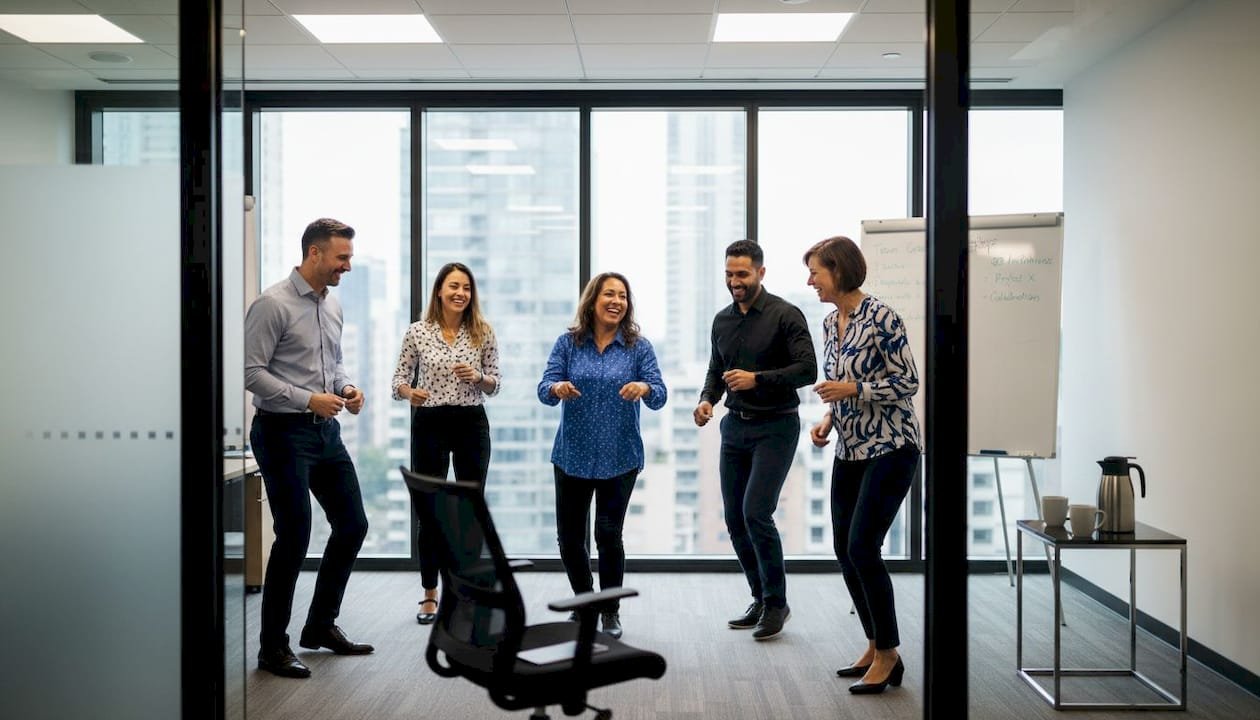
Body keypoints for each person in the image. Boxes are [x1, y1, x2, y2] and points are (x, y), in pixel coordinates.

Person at [244, 217, 373, 679]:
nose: (347, 266)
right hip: (281, 432)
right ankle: (272, 648)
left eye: (349, 258)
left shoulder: (331, 305)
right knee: (295, 534)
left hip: (324, 433)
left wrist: (346, 388)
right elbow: (251, 372)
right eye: (342, 257)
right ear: (314, 253)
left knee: (353, 525)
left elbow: (333, 364)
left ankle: (320, 625)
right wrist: (307, 399)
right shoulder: (272, 304)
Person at [804, 236, 921, 694]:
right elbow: (837, 383)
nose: (810, 281)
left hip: (892, 446)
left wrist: (853, 390)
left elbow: (907, 381)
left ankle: (890, 653)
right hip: (850, 449)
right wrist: (829, 419)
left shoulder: (882, 317)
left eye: (816, 272)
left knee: (863, 547)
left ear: (838, 270)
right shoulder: (830, 322)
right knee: (844, 548)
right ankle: (875, 645)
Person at [694, 239, 817, 641]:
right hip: (735, 428)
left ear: (761, 272)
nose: (735, 282)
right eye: (729, 274)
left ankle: (778, 603)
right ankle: (760, 599)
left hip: (776, 427)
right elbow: (716, 369)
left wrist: (757, 379)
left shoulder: (786, 314)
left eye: (742, 274)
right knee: (735, 518)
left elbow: (807, 370)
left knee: (756, 513)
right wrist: (707, 400)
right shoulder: (721, 321)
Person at [537, 272, 666, 640]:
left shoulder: (639, 347)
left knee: (608, 535)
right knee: (570, 539)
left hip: (620, 456)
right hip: (572, 456)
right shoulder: (568, 343)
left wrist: (644, 387)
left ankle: (610, 609)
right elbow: (544, 388)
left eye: (622, 296)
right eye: (609, 294)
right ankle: (585, 603)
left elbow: (660, 395)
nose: (616, 301)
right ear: (593, 301)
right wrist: (557, 387)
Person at [391, 262, 500, 625]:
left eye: (466, 288)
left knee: (470, 510)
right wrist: (410, 392)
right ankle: (429, 593)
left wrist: (478, 376)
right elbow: (398, 379)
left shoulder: (483, 331)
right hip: (430, 423)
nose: (460, 293)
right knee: (430, 510)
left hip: (471, 423)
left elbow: (495, 383)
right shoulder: (418, 332)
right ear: (439, 290)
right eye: (454, 286)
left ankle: (466, 593)